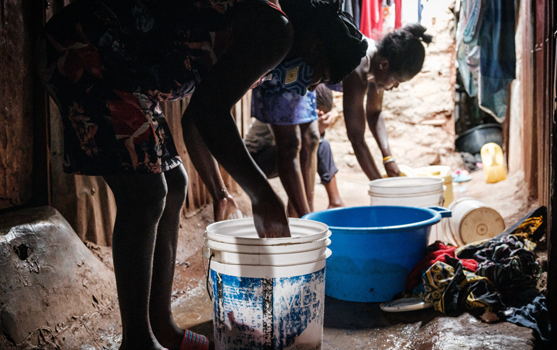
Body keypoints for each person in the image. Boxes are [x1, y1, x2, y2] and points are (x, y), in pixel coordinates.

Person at [38, 0, 367, 348]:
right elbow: (210, 111)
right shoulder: (276, 31)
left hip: (127, 71)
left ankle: (161, 326)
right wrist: (262, 194)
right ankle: (137, 342)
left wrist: (220, 192)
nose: (307, 88)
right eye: (319, 77)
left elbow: (196, 117)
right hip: (89, 45)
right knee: (146, 195)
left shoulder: (272, 52)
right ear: (316, 48)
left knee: (175, 184)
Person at [343, 23, 432, 180]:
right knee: (299, 142)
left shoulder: (378, 67)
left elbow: (374, 112)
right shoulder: (359, 64)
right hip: (295, 74)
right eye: (396, 81)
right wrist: (382, 186)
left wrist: (388, 158)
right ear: (384, 65)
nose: (395, 86)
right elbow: (356, 138)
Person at [246, 84, 345, 210]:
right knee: (301, 147)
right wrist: (316, 129)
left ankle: (335, 201)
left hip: (275, 154)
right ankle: (295, 209)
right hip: (256, 160)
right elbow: (287, 146)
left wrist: (317, 130)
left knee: (321, 144)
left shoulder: (303, 114)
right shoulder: (285, 110)